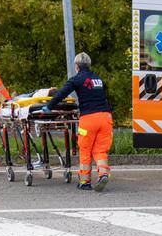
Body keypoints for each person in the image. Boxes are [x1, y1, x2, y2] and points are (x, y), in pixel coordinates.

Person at [42, 52, 113, 192]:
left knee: (86, 149)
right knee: (100, 150)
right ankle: (103, 174)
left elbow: (61, 93)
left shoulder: (76, 79)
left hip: (89, 118)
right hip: (106, 117)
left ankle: (85, 181)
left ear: (76, 66)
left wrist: (49, 106)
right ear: (89, 65)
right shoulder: (98, 79)